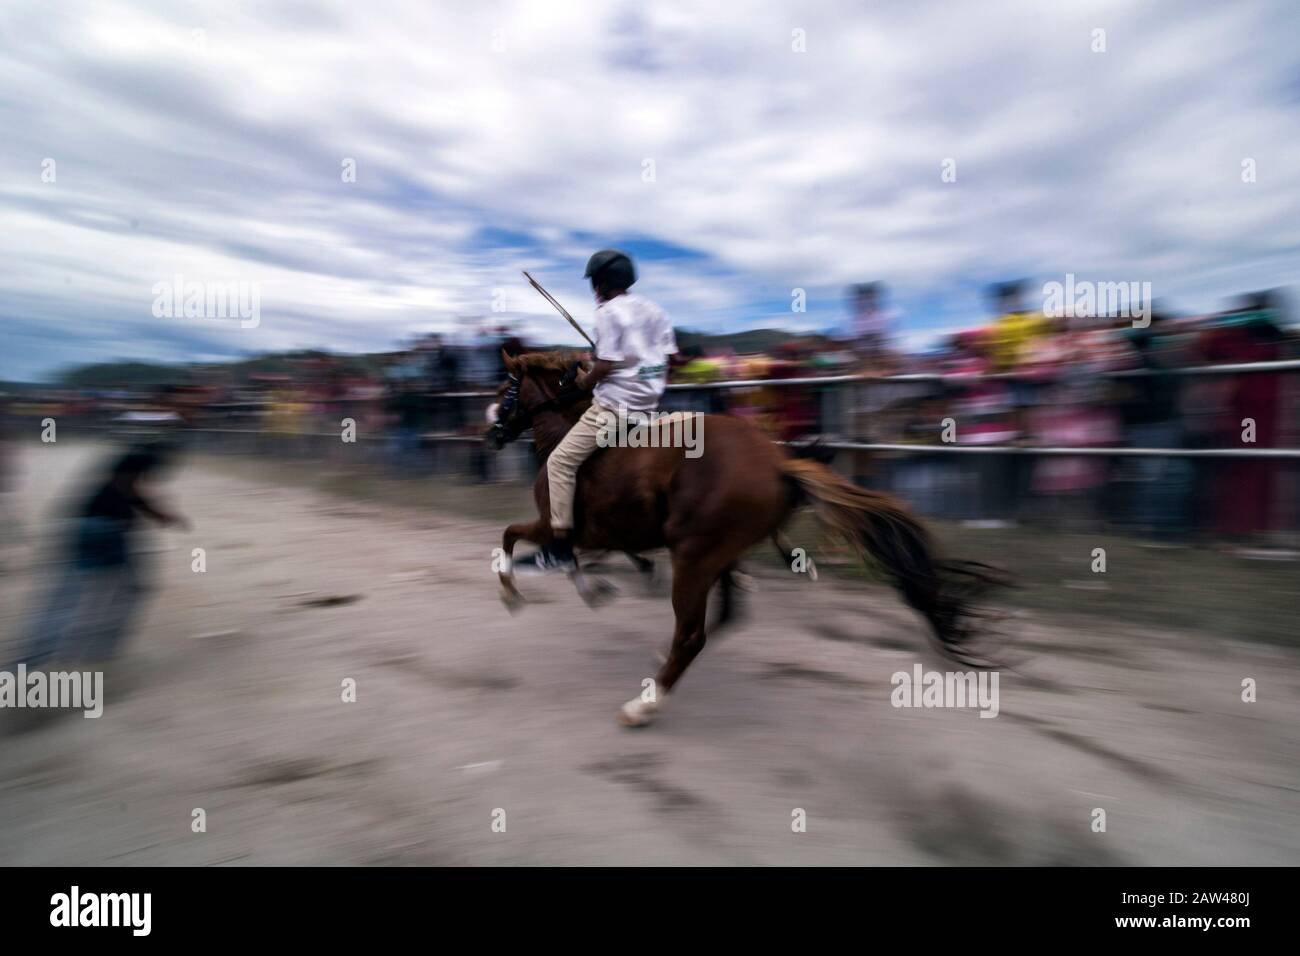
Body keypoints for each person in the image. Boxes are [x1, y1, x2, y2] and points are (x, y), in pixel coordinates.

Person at [517, 249, 676, 572]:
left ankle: (559, 547)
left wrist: (586, 379)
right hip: (650, 406)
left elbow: (605, 366)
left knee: (560, 462)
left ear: (602, 282)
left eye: (594, 282)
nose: (593, 289)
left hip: (615, 409)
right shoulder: (654, 310)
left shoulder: (607, 312)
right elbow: (659, 358)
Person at [17, 444, 189, 666]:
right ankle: (100, 650)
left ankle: (32, 658)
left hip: (83, 526)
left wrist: (159, 516)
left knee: (66, 598)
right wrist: (160, 515)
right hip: (107, 530)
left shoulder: (123, 465)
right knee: (131, 589)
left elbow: (130, 491)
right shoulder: (136, 465)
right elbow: (130, 490)